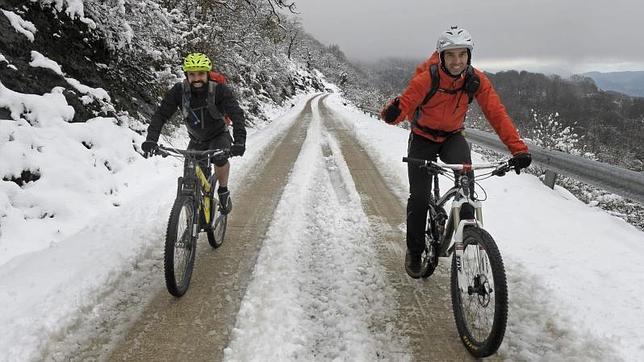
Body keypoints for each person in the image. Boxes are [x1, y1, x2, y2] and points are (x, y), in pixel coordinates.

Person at [380, 26, 532, 278]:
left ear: (469, 56)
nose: (456, 61)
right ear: (440, 56)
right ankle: (415, 251)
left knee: (466, 188)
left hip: (452, 137)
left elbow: (497, 114)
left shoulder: (476, 81)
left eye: (462, 54)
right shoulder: (427, 78)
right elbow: (406, 102)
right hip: (422, 138)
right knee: (419, 197)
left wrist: (519, 150)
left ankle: (470, 242)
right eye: (450, 55)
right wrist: (392, 113)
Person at [141, 52, 246, 215]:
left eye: (201, 74)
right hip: (196, 139)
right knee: (191, 176)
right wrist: (151, 140)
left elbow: (236, 114)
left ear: (207, 74)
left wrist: (239, 142)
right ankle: (191, 214)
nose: (197, 79)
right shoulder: (179, 91)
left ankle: (223, 191)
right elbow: (161, 115)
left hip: (219, 135)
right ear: (187, 75)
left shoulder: (219, 90)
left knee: (220, 159)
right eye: (192, 74)